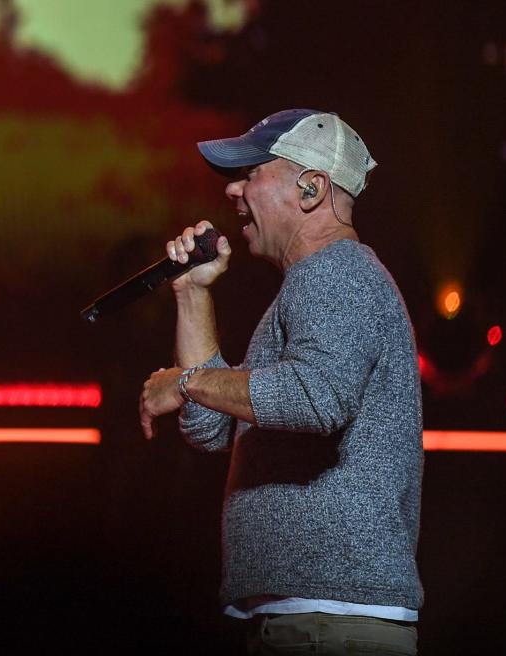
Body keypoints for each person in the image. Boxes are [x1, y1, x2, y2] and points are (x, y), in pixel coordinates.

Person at [138, 109, 423, 655]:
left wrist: (188, 382)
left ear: (312, 188)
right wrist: (193, 293)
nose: (232, 189)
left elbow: (313, 399)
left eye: (252, 172)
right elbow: (211, 430)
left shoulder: (337, 272)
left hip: (329, 623)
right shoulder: (310, 285)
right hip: (311, 619)